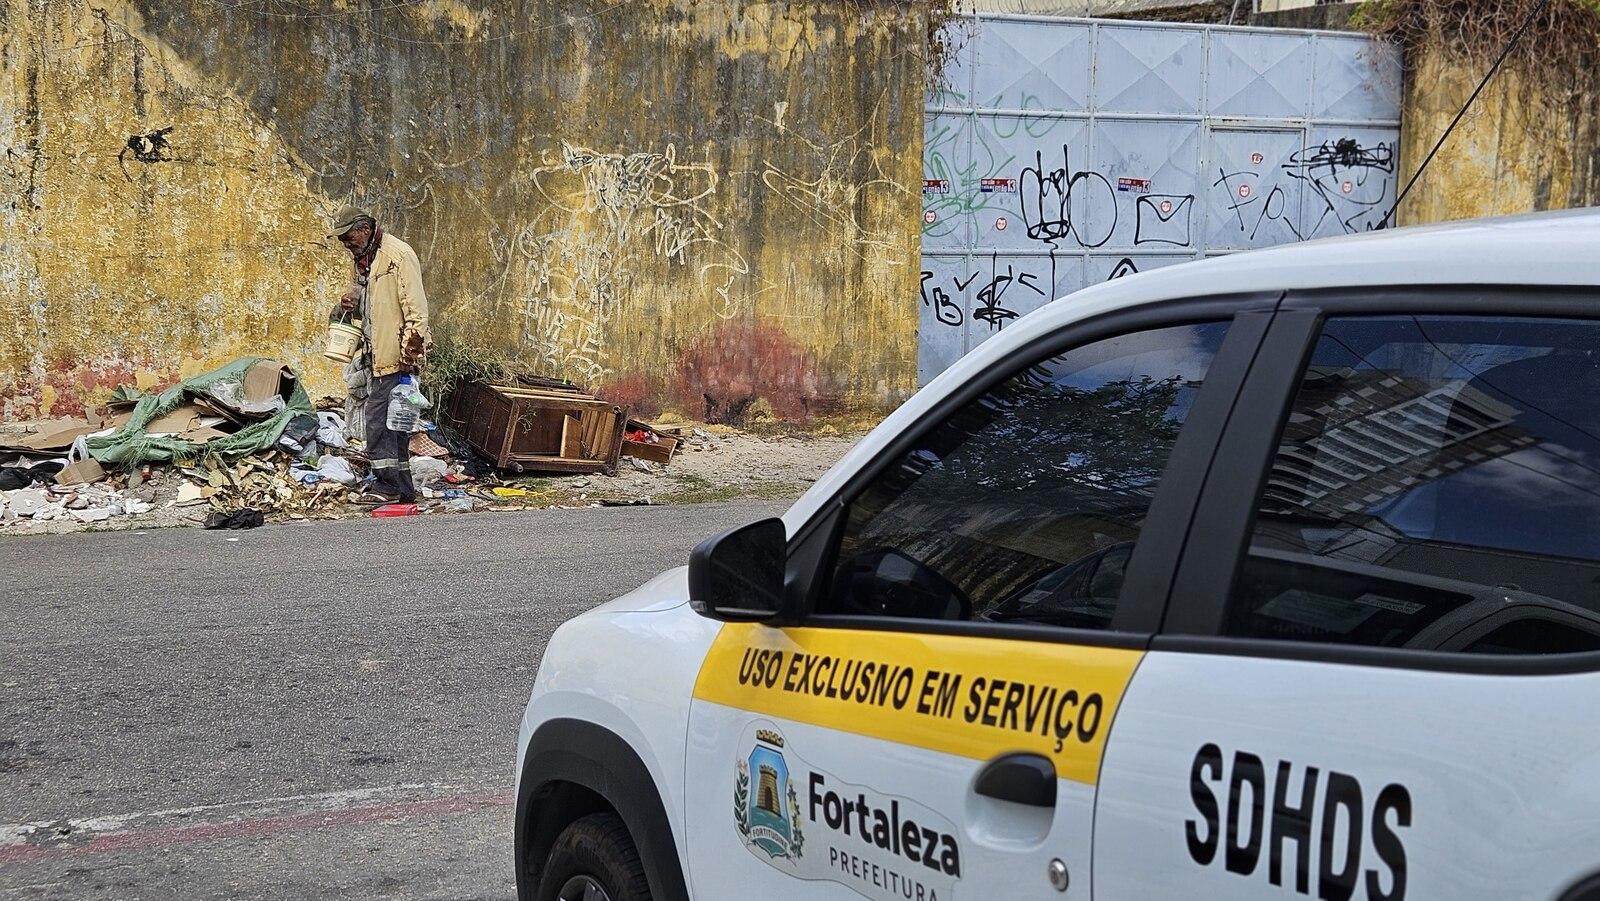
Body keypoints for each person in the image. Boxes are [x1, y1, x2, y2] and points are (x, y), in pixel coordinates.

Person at [327, 204, 432, 504]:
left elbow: (416, 311)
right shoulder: (366, 261)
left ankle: (387, 487)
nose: (346, 245)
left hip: (396, 357)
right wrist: (349, 304)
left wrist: (408, 358)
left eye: (348, 238)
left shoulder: (397, 256)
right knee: (395, 425)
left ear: (363, 229)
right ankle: (402, 488)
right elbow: (372, 307)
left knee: (377, 421)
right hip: (377, 355)